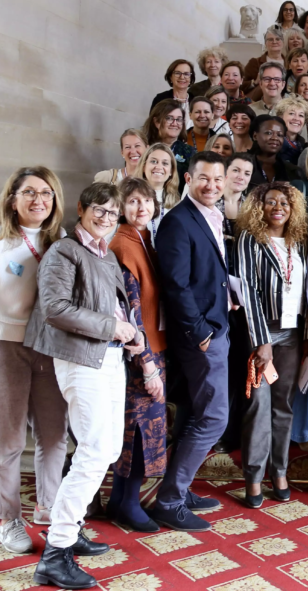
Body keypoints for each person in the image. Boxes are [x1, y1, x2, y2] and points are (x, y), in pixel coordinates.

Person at [24, 182, 141, 588]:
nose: (106, 219)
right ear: (81, 209)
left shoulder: (105, 256)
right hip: (78, 360)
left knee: (106, 449)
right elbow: (55, 308)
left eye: (113, 214)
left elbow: (117, 306)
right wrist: (113, 327)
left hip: (110, 358)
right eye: (99, 210)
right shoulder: (63, 251)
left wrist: (132, 333)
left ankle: (69, 531)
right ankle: (55, 554)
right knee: (93, 450)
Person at [0, 167, 68, 555]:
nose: (39, 200)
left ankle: (48, 506)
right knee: (7, 440)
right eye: (30, 193)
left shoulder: (61, 239)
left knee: (54, 436)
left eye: (47, 193)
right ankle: (9, 519)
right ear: (12, 199)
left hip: (48, 348)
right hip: (1, 347)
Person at [150, 152, 231, 531]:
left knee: (195, 412)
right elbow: (175, 284)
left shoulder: (211, 215)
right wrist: (200, 332)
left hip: (215, 325)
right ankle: (169, 499)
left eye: (218, 179)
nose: (211, 186)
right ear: (187, 178)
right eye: (204, 179)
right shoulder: (177, 221)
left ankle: (179, 489)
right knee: (214, 417)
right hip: (200, 335)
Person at [234, 182, 308, 507]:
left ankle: (279, 470)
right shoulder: (250, 240)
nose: (278, 207)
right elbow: (247, 291)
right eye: (270, 202)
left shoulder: (298, 242)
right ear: (259, 207)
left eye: (284, 203)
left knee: (284, 406)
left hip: (291, 335)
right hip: (262, 333)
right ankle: (253, 477)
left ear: (293, 209)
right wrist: (261, 341)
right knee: (258, 407)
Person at [107, 179, 168, 532]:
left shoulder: (145, 239)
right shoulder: (124, 244)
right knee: (140, 429)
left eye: (146, 201)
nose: (140, 208)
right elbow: (130, 310)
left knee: (141, 425)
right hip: (140, 353)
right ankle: (128, 503)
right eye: (132, 202)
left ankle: (119, 498)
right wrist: (146, 365)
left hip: (154, 345)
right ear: (122, 207)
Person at [138, 143, 181, 240]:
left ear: (171, 171)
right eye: (153, 161)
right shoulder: (129, 198)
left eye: (165, 163)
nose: (159, 167)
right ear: (144, 166)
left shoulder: (178, 205)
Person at [144, 100, 194, 180]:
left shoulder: (190, 152)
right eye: (169, 118)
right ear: (157, 122)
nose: (175, 123)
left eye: (179, 119)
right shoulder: (144, 147)